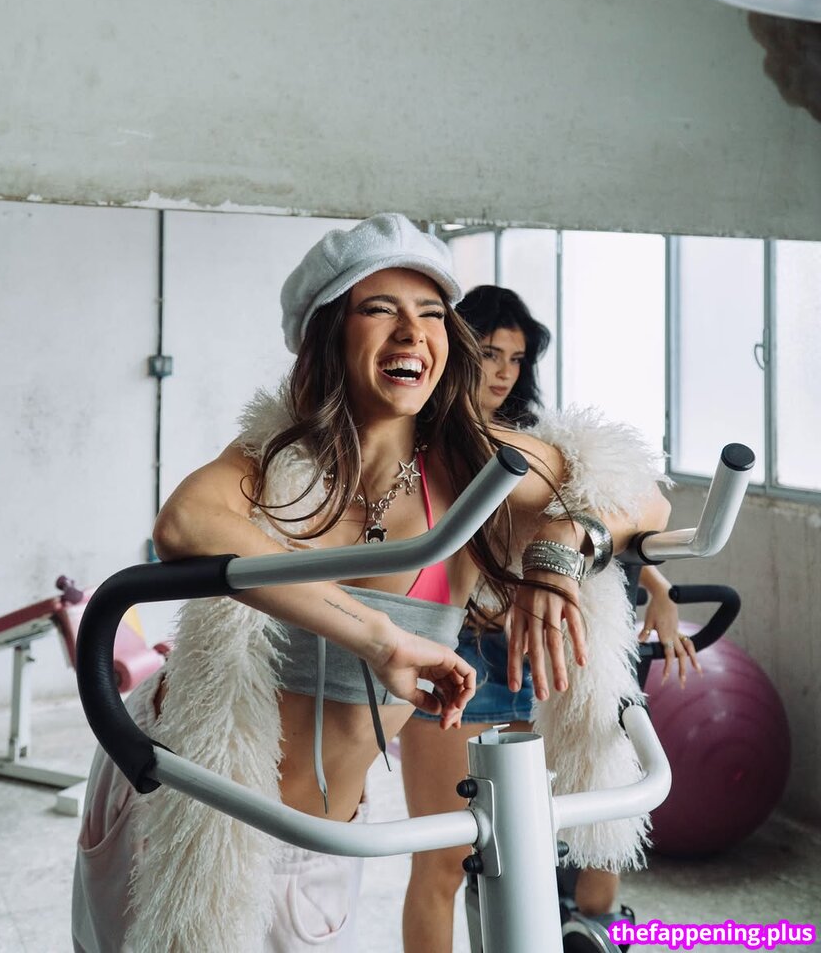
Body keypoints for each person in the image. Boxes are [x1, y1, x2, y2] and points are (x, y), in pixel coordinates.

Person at [71, 218, 670, 953]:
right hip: (178, 798)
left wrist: (558, 548)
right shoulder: (275, 459)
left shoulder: (476, 470)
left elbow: (642, 497)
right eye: (379, 309)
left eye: (431, 314)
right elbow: (184, 523)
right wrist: (380, 639)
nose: (410, 332)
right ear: (329, 335)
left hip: (314, 839)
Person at [400, 285, 699, 952]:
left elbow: (623, 500)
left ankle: (583, 926)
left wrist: (657, 585)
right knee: (444, 858)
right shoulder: (420, 436)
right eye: (490, 353)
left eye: (516, 358)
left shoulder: (535, 442)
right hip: (456, 652)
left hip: (535, 649)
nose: (504, 371)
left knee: (534, 846)